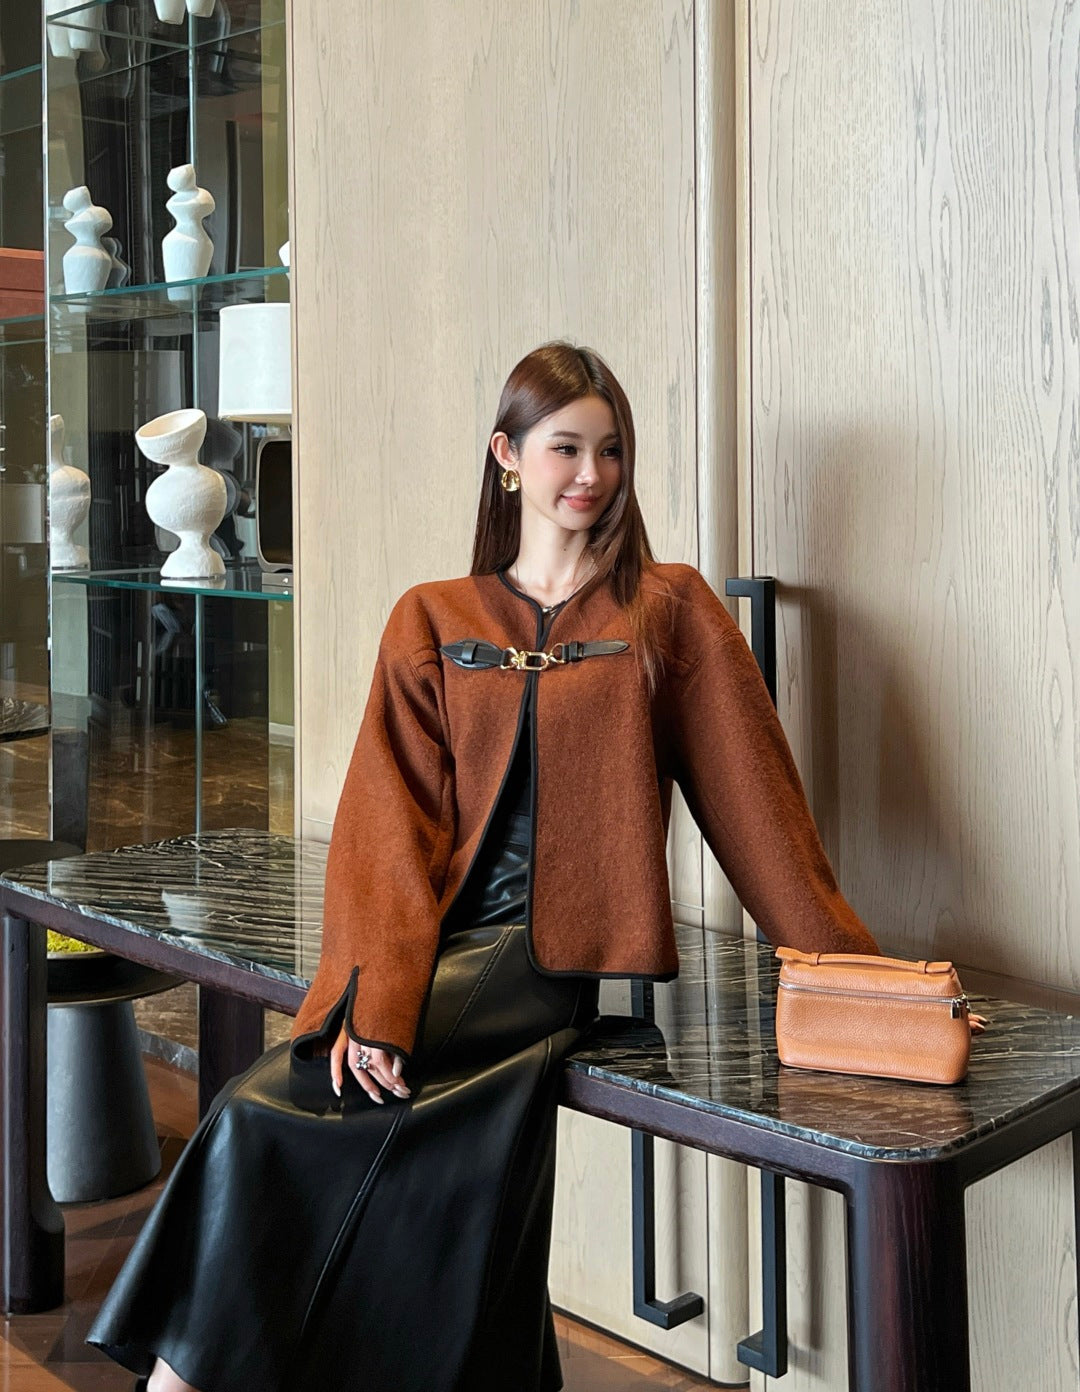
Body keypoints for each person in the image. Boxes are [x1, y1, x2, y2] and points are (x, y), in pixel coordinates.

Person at [88, 341, 878, 1392]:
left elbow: (760, 813)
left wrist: (853, 977)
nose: (591, 473)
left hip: (539, 962)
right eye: (565, 448)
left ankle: (176, 1379)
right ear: (507, 456)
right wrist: (375, 996)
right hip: (433, 947)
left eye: (610, 450)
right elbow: (386, 825)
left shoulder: (669, 608)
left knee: (255, 1116)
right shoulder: (435, 615)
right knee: (316, 1127)